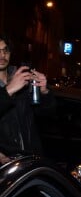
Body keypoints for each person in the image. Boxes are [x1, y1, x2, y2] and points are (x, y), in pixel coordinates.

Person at [0, 34, 56, 164]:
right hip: (5, 164)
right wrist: (8, 90)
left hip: (30, 160)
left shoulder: (22, 78)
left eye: (5, 50)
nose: (2, 55)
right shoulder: (16, 83)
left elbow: (47, 115)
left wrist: (44, 92)